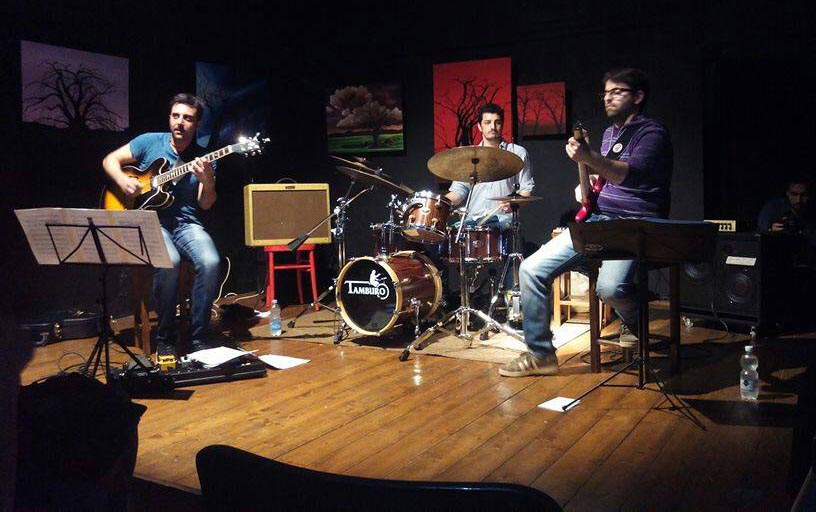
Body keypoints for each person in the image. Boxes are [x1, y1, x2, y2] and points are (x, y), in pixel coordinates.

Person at [500, 68, 673, 377]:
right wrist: (587, 177)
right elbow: (604, 175)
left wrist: (589, 157)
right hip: (600, 221)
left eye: (616, 91)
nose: (608, 98)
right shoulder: (609, 135)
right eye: (605, 92)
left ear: (638, 96)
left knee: (610, 288)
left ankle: (635, 319)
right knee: (530, 269)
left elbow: (625, 174)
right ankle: (541, 354)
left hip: (635, 223)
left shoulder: (652, 134)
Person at [103, 93, 220, 356]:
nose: (180, 122)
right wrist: (123, 181)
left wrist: (208, 181)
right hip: (151, 222)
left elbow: (205, 204)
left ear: (197, 124)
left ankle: (199, 336)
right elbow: (109, 160)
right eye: (175, 116)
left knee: (211, 262)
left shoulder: (204, 158)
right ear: (169, 117)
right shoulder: (148, 142)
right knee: (170, 262)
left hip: (186, 223)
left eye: (187, 118)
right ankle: (165, 336)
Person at [444, 103, 534, 231]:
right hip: (472, 222)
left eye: (497, 122)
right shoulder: (470, 156)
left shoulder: (517, 153)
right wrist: (439, 203)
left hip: (503, 222)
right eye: (487, 122)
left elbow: (526, 190)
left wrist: (514, 203)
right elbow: (459, 191)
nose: (493, 127)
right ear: (479, 126)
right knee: (452, 232)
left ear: (502, 125)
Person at [757, 178, 814, 242]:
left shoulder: (812, 209)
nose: (798, 200)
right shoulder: (773, 207)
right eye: (794, 194)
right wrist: (770, 230)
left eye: (804, 195)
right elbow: (761, 229)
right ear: (787, 193)